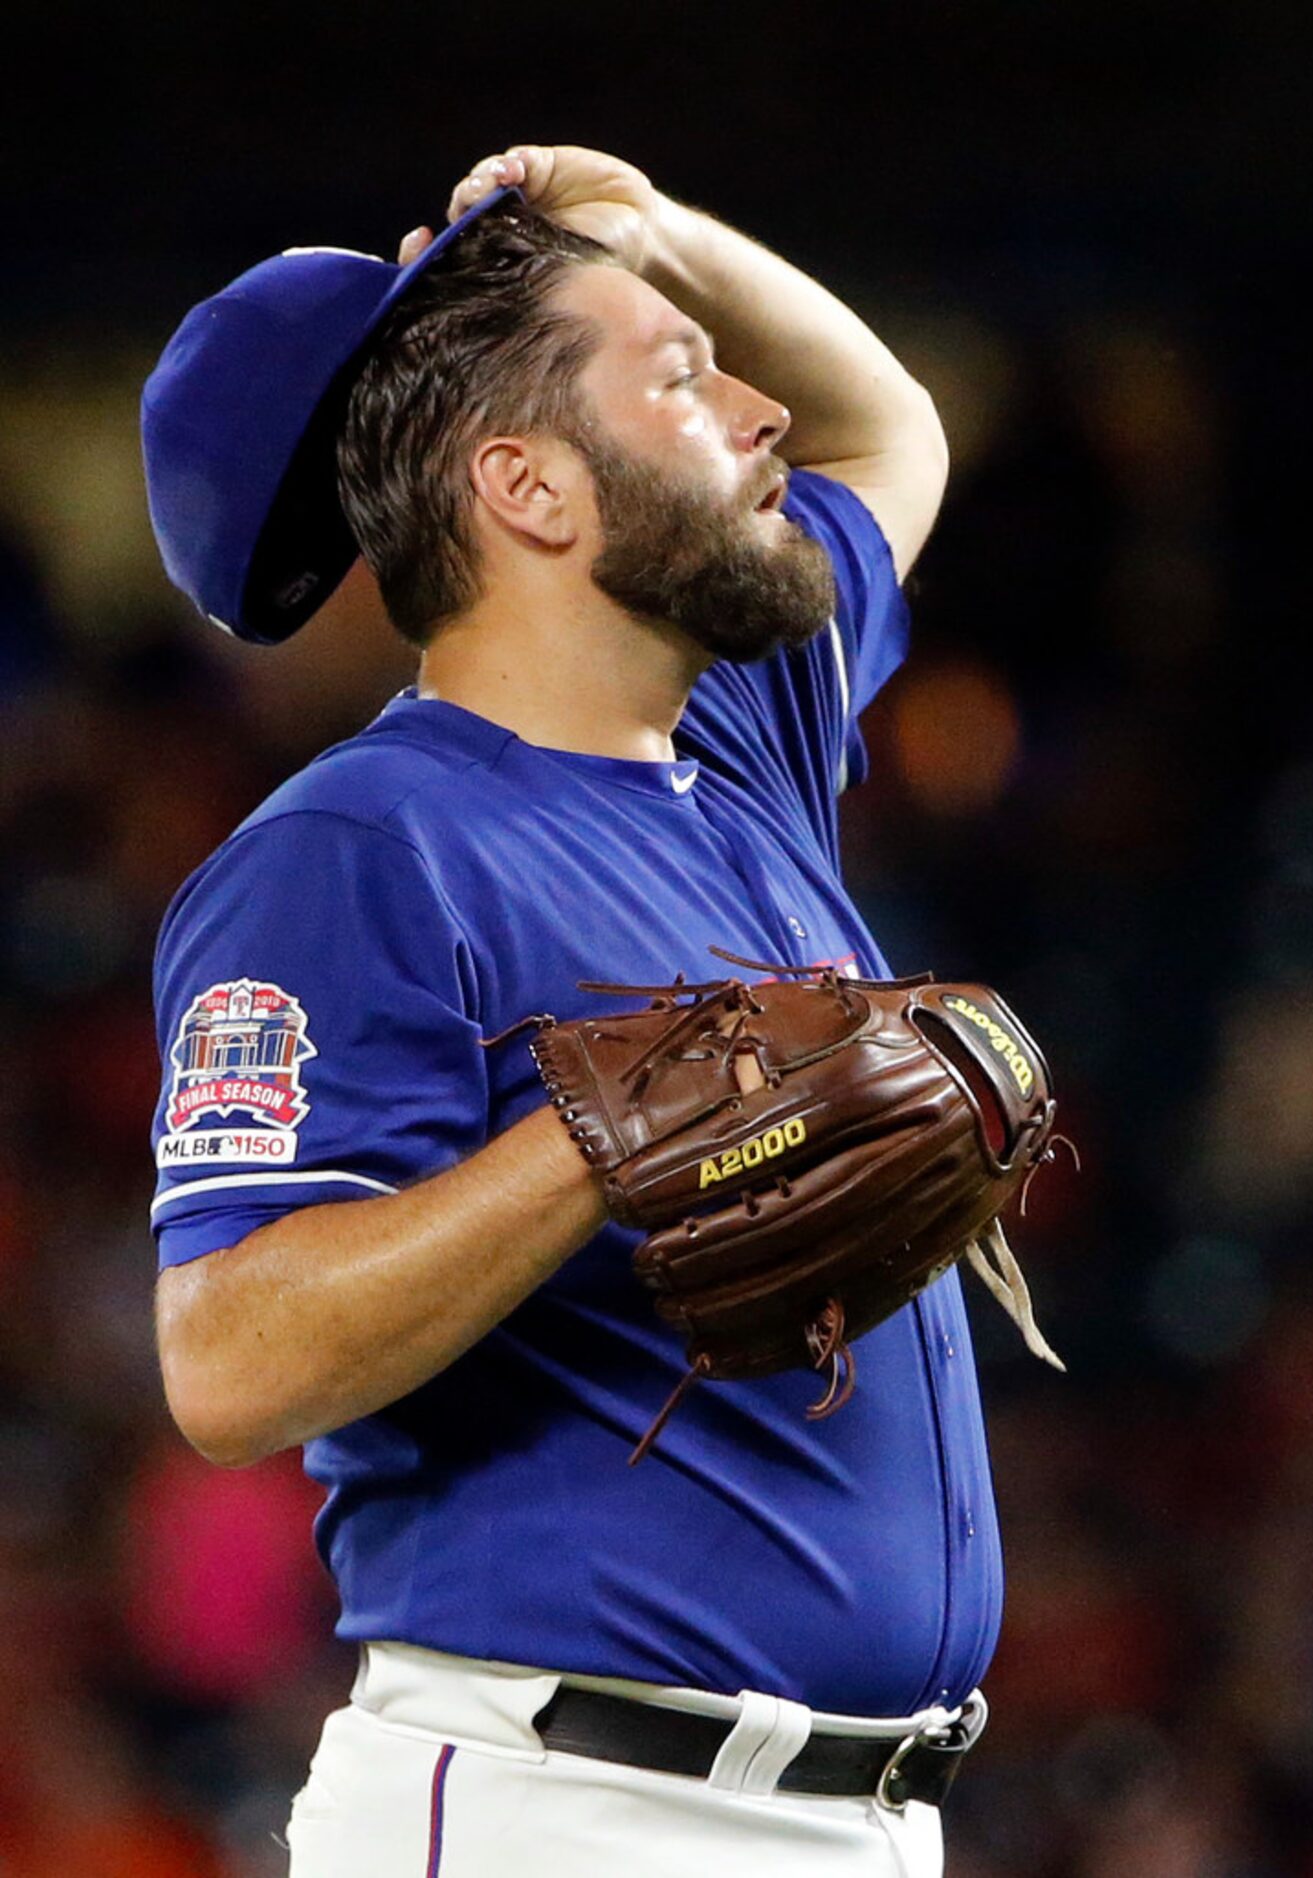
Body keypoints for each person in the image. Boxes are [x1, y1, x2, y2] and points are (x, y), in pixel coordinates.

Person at [142, 143, 993, 1878]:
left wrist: (658, 233)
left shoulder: (741, 750)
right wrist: (602, 1144)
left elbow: (890, 424)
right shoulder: (353, 850)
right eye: (681, 377)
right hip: (567, 1809)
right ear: (529, 486)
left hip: (852, 1819)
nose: (756, 409)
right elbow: (228, 1358)